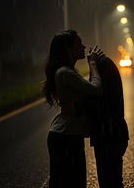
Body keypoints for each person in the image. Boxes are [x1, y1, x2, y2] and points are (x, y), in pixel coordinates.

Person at [43, 30, 104, 188]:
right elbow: (96, 89)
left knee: (68, 182)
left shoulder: (67, 73)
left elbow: (88, 91)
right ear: (68, 49)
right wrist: (93, 65)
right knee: (71, 183)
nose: (83, 46)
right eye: (79, 43)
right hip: (66, 137)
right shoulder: (65, 73)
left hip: (68, 136)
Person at [90, 56, 129, 188]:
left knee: (107, 180)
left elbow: (93, 92)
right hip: (116, 133)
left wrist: (93, 67)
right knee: (114, 179)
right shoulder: (113, 86)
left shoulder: (102, 96)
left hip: (106, 135)